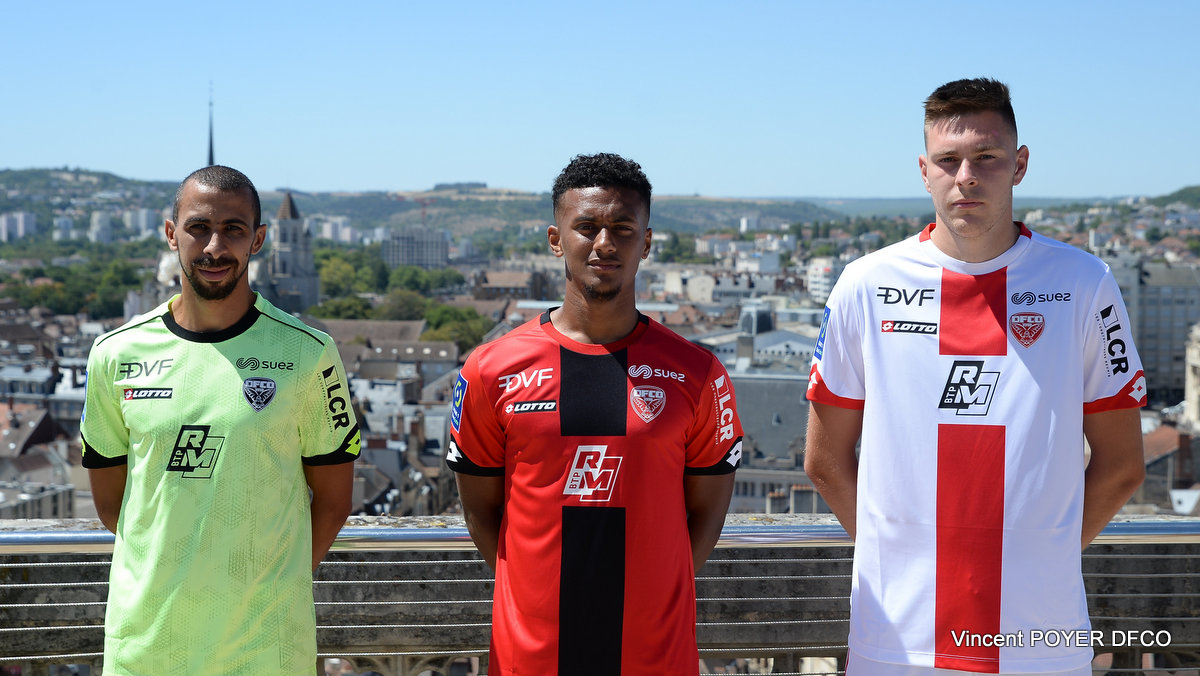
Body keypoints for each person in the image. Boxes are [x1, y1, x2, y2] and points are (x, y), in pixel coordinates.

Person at [804, 78, 1147, 676]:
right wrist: (901, 560)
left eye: (986, 157)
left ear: (1020, 165)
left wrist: (1040, 560)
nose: (966, 176)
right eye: (948, 160)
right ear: (924, 171)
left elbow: (1123, 465)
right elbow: (824, 460)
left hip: (1039, 639)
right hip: (897, 641)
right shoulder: (864, 285)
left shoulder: (1085, 283)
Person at [448, 152, 743, 675]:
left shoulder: (698, 373)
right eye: (586, 227)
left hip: (654, 658)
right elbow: (482, 515)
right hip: (529, 658)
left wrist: (651, 595)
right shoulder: (490, 370)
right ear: (555, 239)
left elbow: (706, 517)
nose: (605, 243)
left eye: (623, 229)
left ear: (645, 243)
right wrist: (536, 591)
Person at [82, 165, 361, 675]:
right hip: (145, 648)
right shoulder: (114, 354)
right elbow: (113, 505)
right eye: (198, 228)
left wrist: (270, 587)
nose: (214, 247)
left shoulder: (309, 352)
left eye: (233, 229)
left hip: (266, 651)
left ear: (258, 239)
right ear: (172, 234)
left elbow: (334, 501)